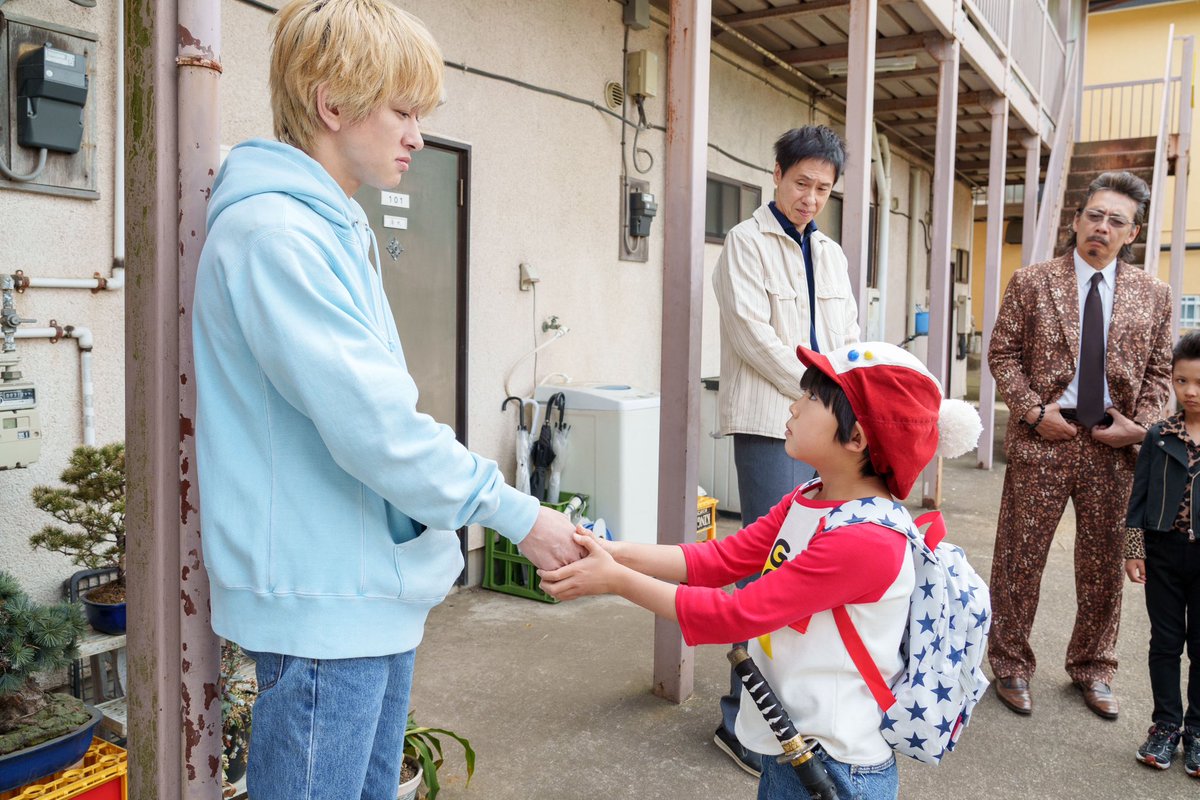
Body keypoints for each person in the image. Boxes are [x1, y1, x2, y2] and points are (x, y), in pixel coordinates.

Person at [191, 2, 578, 798]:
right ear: (333, 104)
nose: (417, 135)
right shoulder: (279, 238)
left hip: (355, 592)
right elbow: (379, 432)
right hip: (325, 600)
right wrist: (517, 513)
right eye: (403, 110)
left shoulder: (327, 226)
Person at [541, 341, 975, 800]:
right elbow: (720, 560)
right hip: (793, 743)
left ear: (856, 438)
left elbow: (737, 613)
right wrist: (612, 551)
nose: (793, 404)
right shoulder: (811, 497)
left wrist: (616, 581)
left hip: (836, 768)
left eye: (811, 398)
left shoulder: (866, 540)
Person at [987, 171, 1173, 720]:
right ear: (1076, 219)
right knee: (1019, 559)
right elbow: (1002, 355)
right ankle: (1011, 662)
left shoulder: (1154, 295)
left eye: (1116, 220)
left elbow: (1163, 372)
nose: (1102, 227)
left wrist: (1140, 426)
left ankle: (1094, 667)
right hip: (1045, 436)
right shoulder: (1032, 281)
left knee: (1102, 566)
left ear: (1131, 233)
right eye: (1094, 215)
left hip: (1114, 448)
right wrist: (1032, 411)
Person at [710, 124, 860, 775]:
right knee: (765, 569)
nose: (810, 197)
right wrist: (820, 390)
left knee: (813, 567)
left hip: (826, 427)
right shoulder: (743, 244)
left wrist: (845, 397)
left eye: (823, 189)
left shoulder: (831, 254)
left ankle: (790, 710)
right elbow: (751, 336)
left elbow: (850, 332)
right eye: (802, 183)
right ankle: (738, 717)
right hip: (771, 423)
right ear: (776, 174)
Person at [1125, 331, 1200, 775]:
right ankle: (1165, 725)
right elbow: (1139, 498)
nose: (1190, 391)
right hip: (1164, 555)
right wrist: (1135, 551)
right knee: (1165, 643)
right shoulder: (1159, 435)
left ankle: (1197, 731)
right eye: (1182, 381)